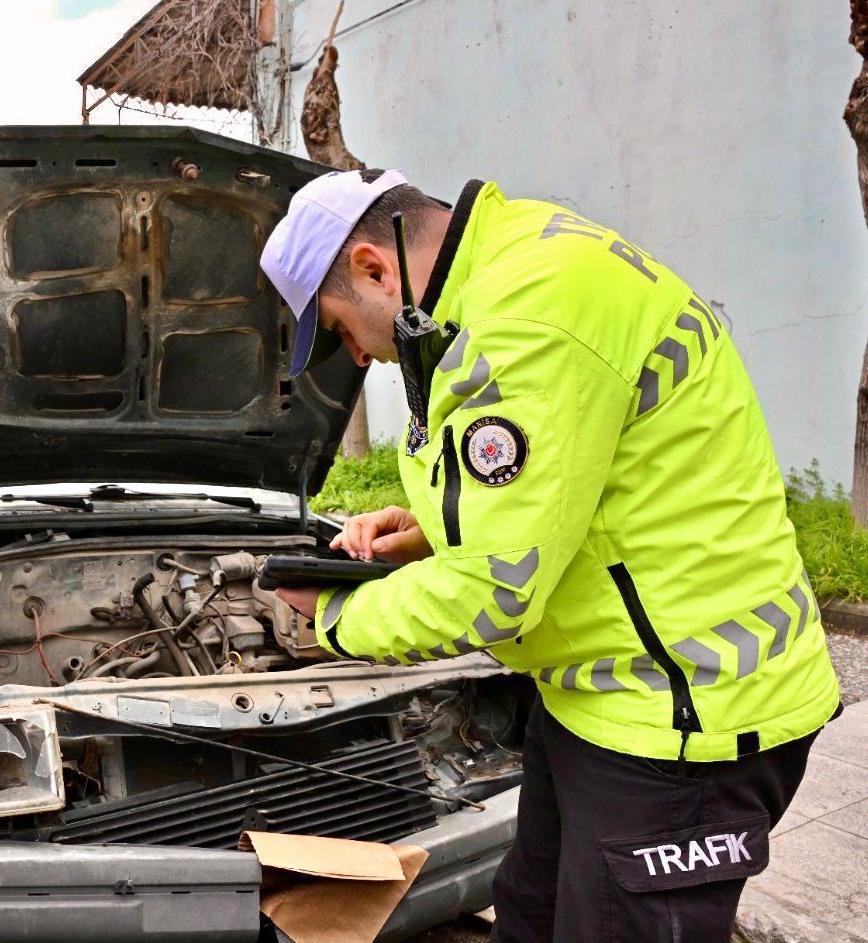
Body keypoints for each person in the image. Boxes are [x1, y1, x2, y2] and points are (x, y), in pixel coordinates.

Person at [260, 169, 840, 942]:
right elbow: (575, 474)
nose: (358, 356)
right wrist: (434, 526)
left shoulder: (528, 319)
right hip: (593, 692)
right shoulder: (517, 257)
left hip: (682, 721)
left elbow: (495, 590)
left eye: (338, 329)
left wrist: (334, 617)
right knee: (529, 916)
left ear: (374, 267)